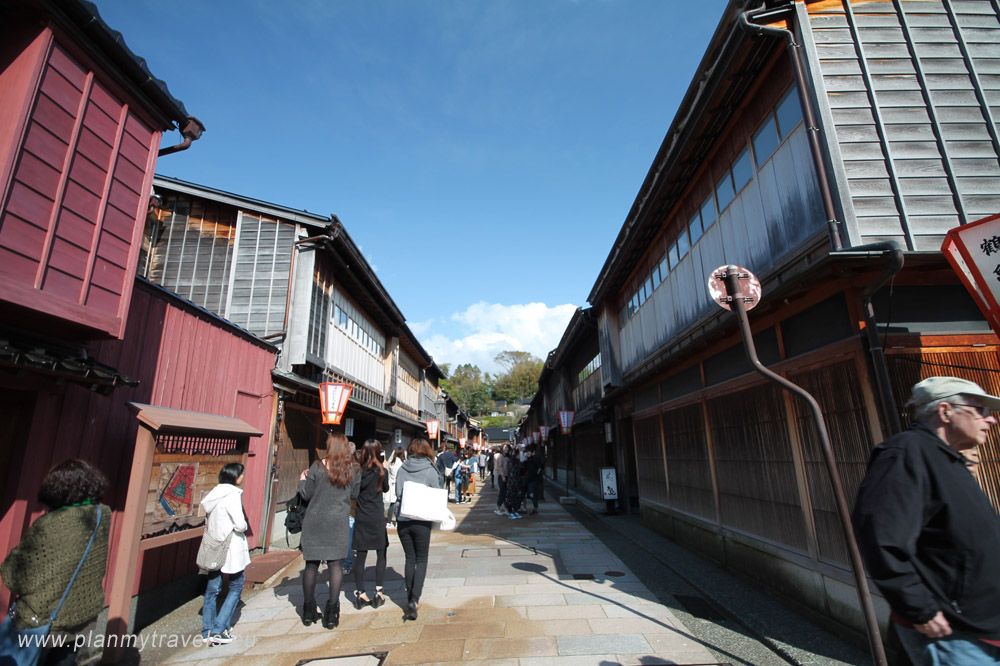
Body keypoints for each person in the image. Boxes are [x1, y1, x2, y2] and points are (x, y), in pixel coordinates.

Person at [852, 376, 1000, 665]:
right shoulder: (906, 454)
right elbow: (882, 537)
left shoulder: (948, 458)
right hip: (950, 630)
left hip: (979, 625)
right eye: (980, 410)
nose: (991, 419)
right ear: (946, 411)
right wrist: (920, 609)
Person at [1, 459, 110, 666]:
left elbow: (13, 577)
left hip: (42, 620)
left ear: (56, 489)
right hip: (82, 616)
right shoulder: (101, 515)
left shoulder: (49, 524)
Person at [298, 432, 361, 629]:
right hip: (338, 522)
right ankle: (332, 613)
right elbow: (354, 494)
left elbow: (306, 495)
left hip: (315, 521)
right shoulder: (352, 469)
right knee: (335, 566)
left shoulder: (317, 466)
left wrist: (302, 480)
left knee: (311, 565)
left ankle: (308, 611)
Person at [200, 462, 251, 644]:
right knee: (236, 586)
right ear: (235, 476)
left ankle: (207, 629)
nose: (242, 477)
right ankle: (220, 629)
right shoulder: (232, 495)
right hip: (231, 547)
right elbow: (240, 524)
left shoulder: (214, 494)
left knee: (212, 589)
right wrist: (243, 526)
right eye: (241, 474)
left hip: (214, 546)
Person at [395, 438, 441, 621]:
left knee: (409, 558)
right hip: (422, 520)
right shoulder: (430, 469)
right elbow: (437, 492)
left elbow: (398, 493)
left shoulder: (402, 468)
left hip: (403, 518)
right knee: (421, 559)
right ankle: (414, 599)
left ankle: (409, 597)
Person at [352, 439, 390, 610]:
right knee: (381, 553)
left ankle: (360, 593)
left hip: (361, 515)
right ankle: (378, 591)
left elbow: (353, 493)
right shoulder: (381, 471)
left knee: (360, 555)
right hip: (377, 516)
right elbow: (386, 489)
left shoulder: (358, 471)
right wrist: (384, 467)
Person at [385, 447, 405, 528]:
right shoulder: (400, 463)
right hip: (397, 483)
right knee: (396, 503)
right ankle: (394, 520)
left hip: (392, 483)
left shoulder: (392, 462)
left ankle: (389, 520)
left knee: (392, 503)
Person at [504, 446, 524, 519]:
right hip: (511, 481)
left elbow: (522, 467)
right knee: (510, 497)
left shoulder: (518, 462)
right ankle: (510, 512)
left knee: (516, 497)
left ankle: (515, 511)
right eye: (518, 455)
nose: (519, 456)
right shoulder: (511, 461)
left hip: (517, 481)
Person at [523, 444, 543, 516]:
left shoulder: (534, 459)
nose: (528, 453)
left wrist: (539, 469)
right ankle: (534, 508)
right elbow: (524, 468)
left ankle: (535, 509)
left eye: (529, 452)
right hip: (528, 480)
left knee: (532, 495)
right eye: (527, 452)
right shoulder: (527, 460)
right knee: (530, 495)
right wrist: (525, 460)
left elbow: (539, 465)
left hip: (533, 480)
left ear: (532, 452)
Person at [494, 445, 511, 516]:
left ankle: (506, 508)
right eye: (505, 448)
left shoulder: (508, 456)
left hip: (507, 476)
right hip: (502, 476)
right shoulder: (500, 457)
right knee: (502, 493)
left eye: (507, 448)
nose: (506, 449)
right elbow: (499, 467)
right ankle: (497, 508)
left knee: (506, 493)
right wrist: (503, 476)